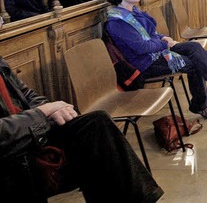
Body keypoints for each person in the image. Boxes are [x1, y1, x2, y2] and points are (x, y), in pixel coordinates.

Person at [0, 56, 164, 202]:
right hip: (12, 156)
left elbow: (27, 94)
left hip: (28, 136)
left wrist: (55, 109)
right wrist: (43, 113)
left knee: (96, 125)